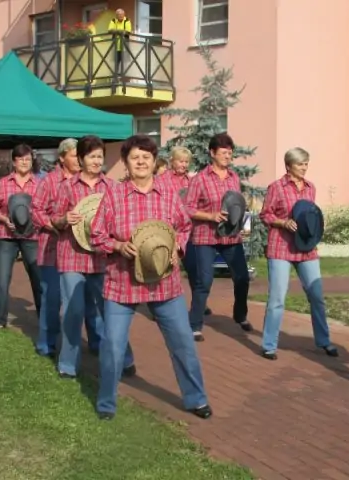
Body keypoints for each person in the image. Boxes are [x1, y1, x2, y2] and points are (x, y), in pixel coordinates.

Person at [90, 134, 211, 421]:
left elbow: (183, 227)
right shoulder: (114, 195)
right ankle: (107, 403)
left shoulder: (168, 193)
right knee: (113, 346)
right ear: (125, 163)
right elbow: (96, 235)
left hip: (164, 285)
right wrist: (118, 246)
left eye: (146, 156)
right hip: (122, 284)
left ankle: (196, 399)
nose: (141, 161)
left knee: (183, 342)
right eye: (135, 157)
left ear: (155, 162)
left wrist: (177, 248)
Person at [52, 135, 136, 379]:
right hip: (72, 257)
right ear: (80, 159)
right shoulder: (66, 187)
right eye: (92, 156)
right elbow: (55, 220)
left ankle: (125, 359)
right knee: (73, 311)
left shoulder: (114, 187)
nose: (97, 161)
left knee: (111, 312)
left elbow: (122, 222)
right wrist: (64, 219)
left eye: (100, 156)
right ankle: (68, 365)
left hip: (104, 257)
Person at [258, 148, 338, 360]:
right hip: (281, 248)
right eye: (300, 164)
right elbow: (265, 214)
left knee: (317, 296)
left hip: (306, 248)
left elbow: (310, 214)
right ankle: (269, 345)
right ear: (288, 166)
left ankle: (324, 341)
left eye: (306, 164)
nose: (304, 168)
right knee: (277, 298)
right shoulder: (276, 187)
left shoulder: (311, 188)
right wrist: (283, 222)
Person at [185, 133, 252, 342]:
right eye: (223, 153)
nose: (227, 157)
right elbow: (187, 208)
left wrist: (243, 224)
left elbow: (238, 205)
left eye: (230, 153)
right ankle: (194, 324)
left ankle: (240, 314)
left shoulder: (234, 178)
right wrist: (210, 216)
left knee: (242, 278)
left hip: (231, 237)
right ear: (212, 153)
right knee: (204, 281)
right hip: (205, 236)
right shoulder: (200, 180)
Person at [31, 138, 80, 357]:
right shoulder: (49, 181)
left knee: (84, 300)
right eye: (73, 154)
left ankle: (95, 343)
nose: (78, 159)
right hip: (51, 249)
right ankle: (46, 343)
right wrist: (53, 225)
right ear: (62, 158)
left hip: (78, 252)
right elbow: (36, 211)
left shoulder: (85, 182)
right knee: (52, 298)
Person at [0, 144, 42, 329]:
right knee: (2, 278)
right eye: (21, 159)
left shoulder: (39, 184)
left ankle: (44, 318)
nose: (25, 162)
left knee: (38, 277)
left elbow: (45, 209)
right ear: (14, 162)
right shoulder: (4, 183)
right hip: (6, 236)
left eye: (28, 159)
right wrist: (4, 219)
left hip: (32, 237)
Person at [158, 146, 212, 316]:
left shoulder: (191, 181)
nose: (183, 164)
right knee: (165, 269)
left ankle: (199, 304)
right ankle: (159, 306)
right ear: (172, 161)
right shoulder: (161, 180)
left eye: (186, 161)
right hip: (167, 230)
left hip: (188, 232)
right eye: (180, 161)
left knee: (194, 269)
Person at [108, 8, 132, 77]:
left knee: (125, 62)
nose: (120, 16)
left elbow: (128, 31)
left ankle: (124, 77)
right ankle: (115, 77)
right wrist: (121, 31)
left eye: (122, 15)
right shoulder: (113, 20)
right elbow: (110, 30)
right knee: (115, 62)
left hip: (125, 45)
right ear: (116, 15)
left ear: (124, 15)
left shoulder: (127, 20)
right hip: (115, 45)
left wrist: (116, 31)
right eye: (119, 15)